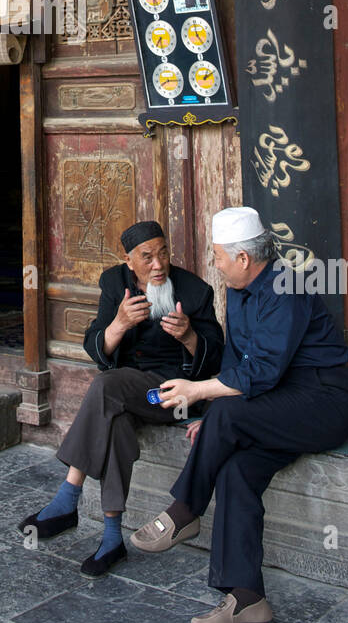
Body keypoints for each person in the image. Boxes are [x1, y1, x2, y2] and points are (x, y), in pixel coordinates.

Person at [130, 206, 348, 623]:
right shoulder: (236, 291)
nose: (214, 264)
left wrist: (201, 393)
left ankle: (184, 510)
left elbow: (264, 371)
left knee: (229, 415)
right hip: (278, 405)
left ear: (242, 258)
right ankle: (247, 600)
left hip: (324, 401)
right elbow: (237, 362)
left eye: (218, 256)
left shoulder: (286, 285)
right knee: (235, 470)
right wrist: (214, 417)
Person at [18, 220, 224, 576]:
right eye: (147, 257)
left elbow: (217, 356)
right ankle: (112, 538)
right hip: (126, 394)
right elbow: (96, 344)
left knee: (105, 386)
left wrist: (189, 336)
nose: (158, 265)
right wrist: (119, 324)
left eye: (163, 254)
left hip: (175, 393)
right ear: (129, 261)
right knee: (114, 425)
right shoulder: (114, 282)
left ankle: (68, 496)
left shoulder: (194, 290)